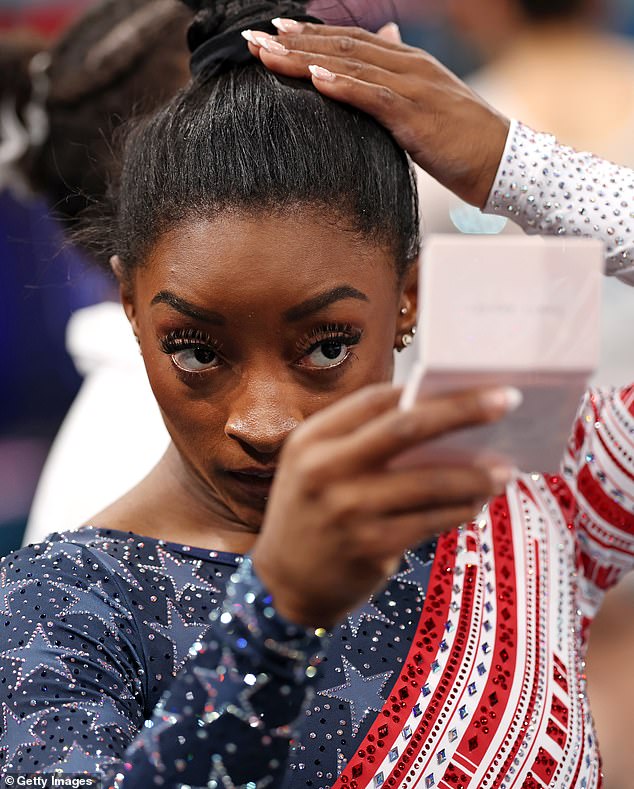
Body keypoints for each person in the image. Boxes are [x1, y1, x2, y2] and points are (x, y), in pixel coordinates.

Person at [0, 4, 632, 789]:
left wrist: (517, 167)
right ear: (132, 304)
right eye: (197, 351)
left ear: (407, 297)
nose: (264, 423)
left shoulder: (521, 493)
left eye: (328, 346)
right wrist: (275, 618)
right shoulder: (60, 610)